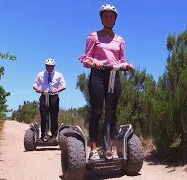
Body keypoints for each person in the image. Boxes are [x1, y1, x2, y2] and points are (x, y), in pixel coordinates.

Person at [79, 4, 134, 160]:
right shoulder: (93, 36)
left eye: (111, 16)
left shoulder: (120, 40)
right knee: (97, 111)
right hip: (98, 75)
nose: (108, 18)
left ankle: (109, 147)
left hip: (114, 75)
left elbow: (121, 60)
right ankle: (94, 149)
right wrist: (94, 63)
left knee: (112, 111)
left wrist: (127, 66)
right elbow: (87, 58)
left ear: (115, 19)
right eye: (105, 16)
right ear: (101, 18)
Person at [33, 58, 66, 140]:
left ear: (54, 66)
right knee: (44, 116)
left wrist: (57, 90)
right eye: (47, 66)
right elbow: (35, 85)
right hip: (44, 95)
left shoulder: (58, 75)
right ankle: (44, 135)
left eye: (51, 66)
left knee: (54, 116)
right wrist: (38, 89)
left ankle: (54, 136)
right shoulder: (40, 74)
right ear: (45, 66)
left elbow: (64, 86)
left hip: (54, 96)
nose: (49, 68)